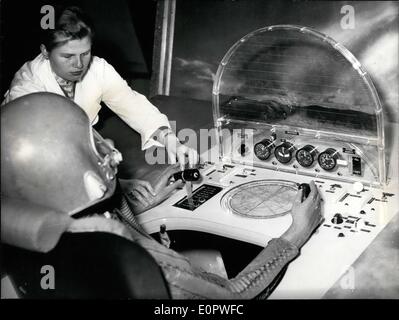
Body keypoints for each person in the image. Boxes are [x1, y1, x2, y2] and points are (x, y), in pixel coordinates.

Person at [1, 93, 323, 299]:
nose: (111, 148)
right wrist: (295, 234)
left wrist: (148, 201)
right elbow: (234, 296)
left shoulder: (27, 231)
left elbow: (98, 218)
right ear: (81, 178)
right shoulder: (136, 260)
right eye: (96, 145)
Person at [1, 5, 198, 204]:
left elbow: (135, 107)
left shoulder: (98, 69)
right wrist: (114, 185)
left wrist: (171, 140)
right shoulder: (26, 92)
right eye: (68, 56)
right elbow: (49, 164)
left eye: (85, 53)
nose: (79, 64)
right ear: (45, 51)